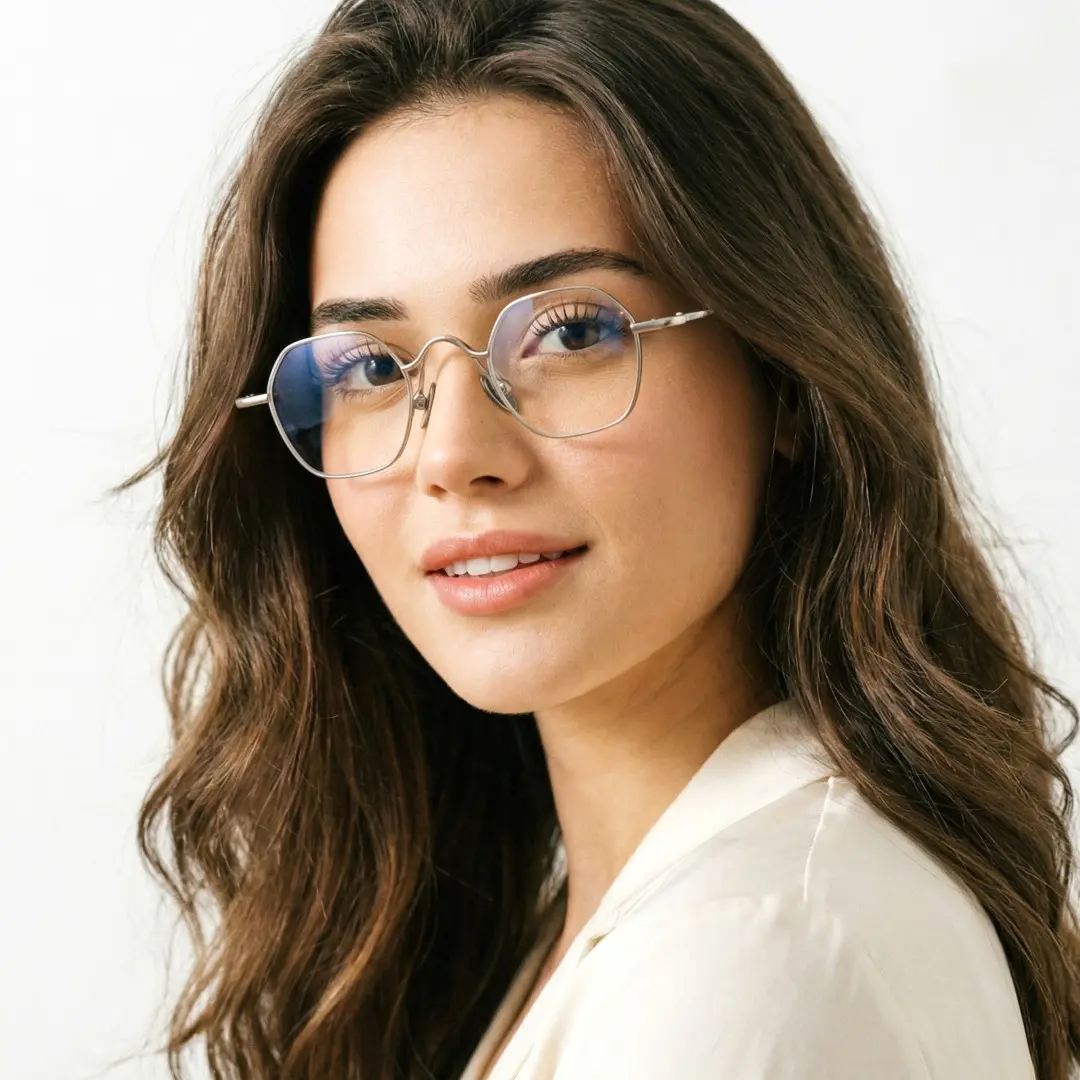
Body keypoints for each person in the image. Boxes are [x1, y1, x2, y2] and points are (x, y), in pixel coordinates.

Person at [119, 0, 1080, 1077]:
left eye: (571, 331)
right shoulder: (630, 920)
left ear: (791, 383)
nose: (453, 455)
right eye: (372, 369)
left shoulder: (755, 948)